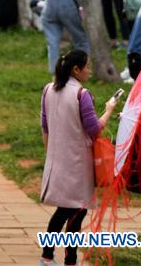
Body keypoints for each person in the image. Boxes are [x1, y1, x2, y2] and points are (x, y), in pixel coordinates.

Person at [39, 50, 119, 266]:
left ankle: (51, 256)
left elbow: (45, 125)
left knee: (66, 209)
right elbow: (94, 129)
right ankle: (64, 259)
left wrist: (49, 155)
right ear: (76, 69)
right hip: (77, 163)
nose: (90, 71)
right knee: (76, 209)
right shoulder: (81, 94)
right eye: (88, 66)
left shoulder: (49, 89)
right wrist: (109, 110)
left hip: (57, 159)